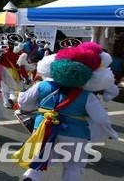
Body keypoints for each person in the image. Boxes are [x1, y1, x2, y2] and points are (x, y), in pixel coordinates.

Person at [15, 43, 114, 181]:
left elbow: (24, 103)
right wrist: (109, 131)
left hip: (43, 130)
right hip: (75, 135)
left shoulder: (42, 86)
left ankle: (30, 178)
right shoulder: (87, 96)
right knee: (73, 167)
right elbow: (101, 119)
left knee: (39, 161)